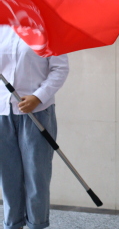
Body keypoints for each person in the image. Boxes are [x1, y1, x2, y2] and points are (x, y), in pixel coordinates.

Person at [0, 25, 69, 229]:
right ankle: (12, 224)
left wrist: (38, 97)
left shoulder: (48, 30)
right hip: (3, 111)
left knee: (36, 175)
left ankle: (37, 224)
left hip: (37, 113)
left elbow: (60, 69)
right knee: (8, 175)